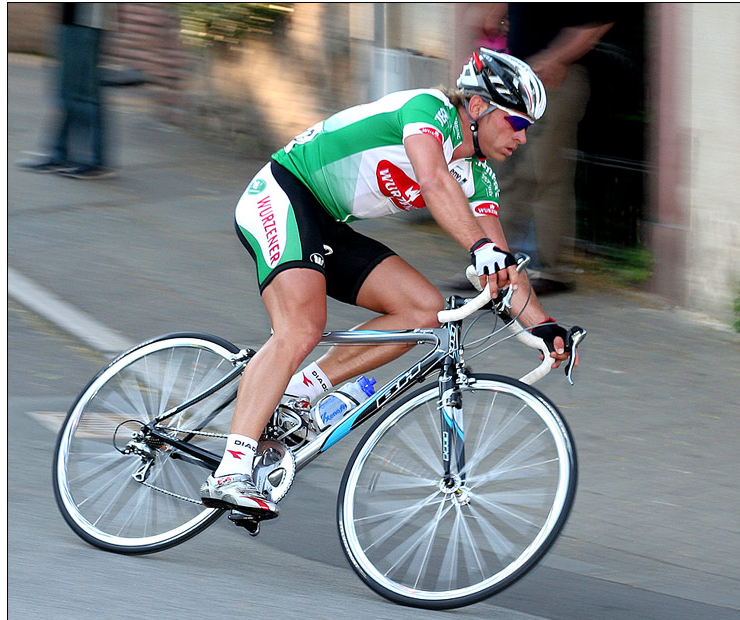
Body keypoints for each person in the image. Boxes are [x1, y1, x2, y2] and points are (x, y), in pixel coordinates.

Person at [199, 48, 573, 517]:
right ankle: (231, 470)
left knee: (423, 309)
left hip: (327, 222)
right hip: (283, 190)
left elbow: (504, 266)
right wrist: (477, 248)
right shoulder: (428, 111)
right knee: (301, 327)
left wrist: (543, 326)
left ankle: (299, 390)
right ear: (477, 107)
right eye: (517, 124)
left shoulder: (479, 176)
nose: (522, 138)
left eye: (529, 130)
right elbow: (434, 181)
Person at [476, 3, 615, 293]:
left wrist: (557, 58)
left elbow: (600, 18)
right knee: (503, 174)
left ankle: (549, 270)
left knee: (543, 174)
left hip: (556, 79)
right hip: (516, 76)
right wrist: (496, 10)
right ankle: (495, 266)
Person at [17, 3, 114, 179]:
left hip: (86, 20)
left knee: (84, 94)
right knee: (66, 93)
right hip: (71, 19)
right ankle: (60, 155)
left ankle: (95, 160)